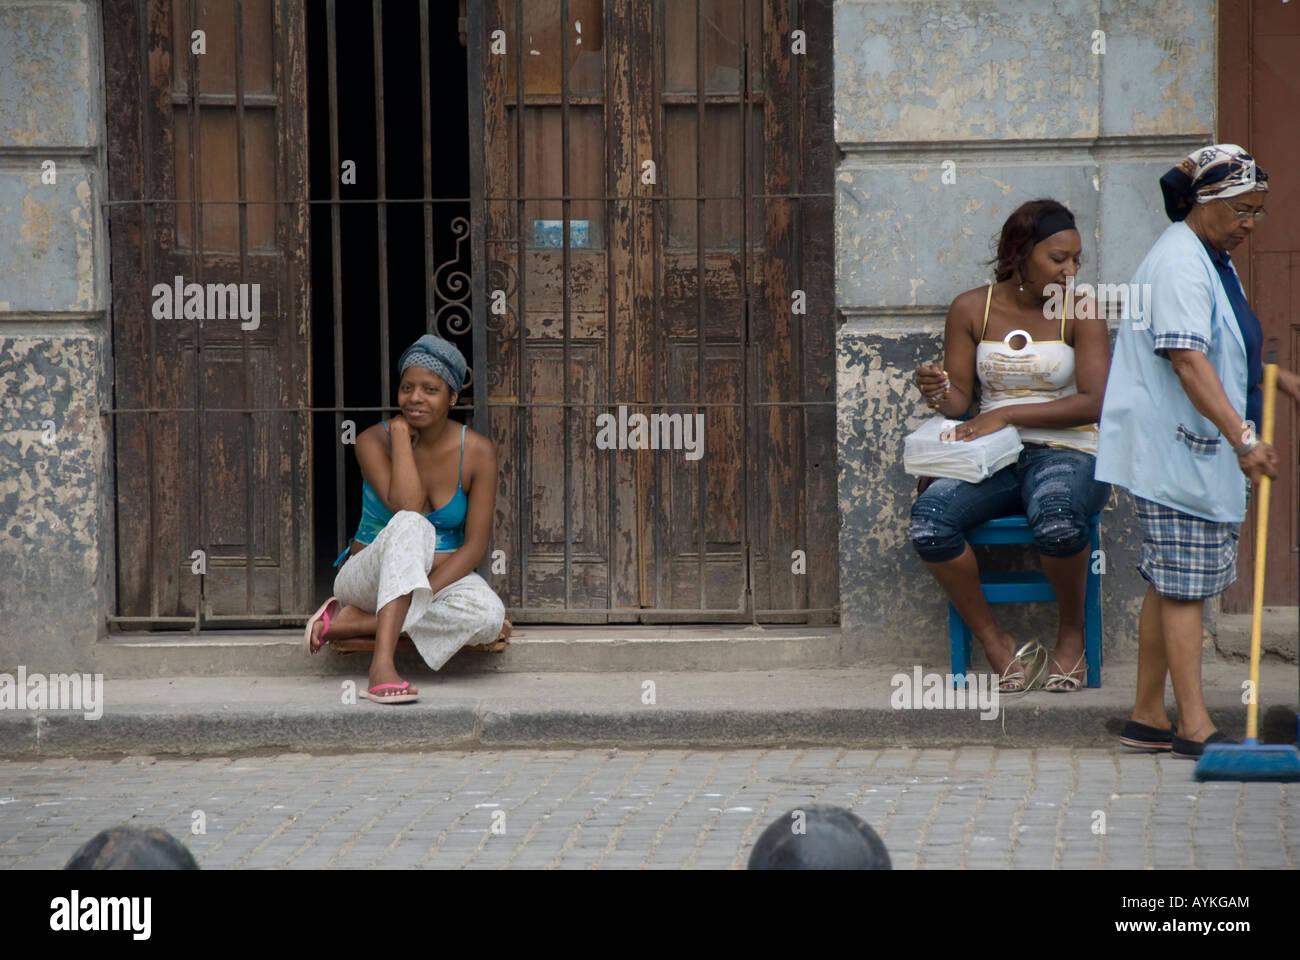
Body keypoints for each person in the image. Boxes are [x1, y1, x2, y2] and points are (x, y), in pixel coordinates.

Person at [1097, 145, 1288, 758]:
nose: (1251, 224)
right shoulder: (1181, 261)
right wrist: (1245, 438)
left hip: (1185, 447)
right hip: (1181, 449)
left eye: (1258, 210)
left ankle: (1149, 717)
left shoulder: (1210, 253)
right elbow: (1187, 359)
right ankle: (1195, 728)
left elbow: (1227, 344)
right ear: (1206, 202)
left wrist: (1280, 381)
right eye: (1241, 209)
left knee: (1169, 581)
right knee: (1184, 589)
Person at [911, 199, 1112, 693]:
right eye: (1058, 259)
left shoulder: (1082, 308)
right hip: (993, 454)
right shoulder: (970, 308)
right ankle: (996, 643)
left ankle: (1071, 638)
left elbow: (1094, 403)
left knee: (1059, 519)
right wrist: (936, 390)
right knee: (929, 523)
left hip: (1069, 451)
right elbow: (959, 403)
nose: (1070, 271)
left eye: (1076, 260)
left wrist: (1003, 413)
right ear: (1020, 255)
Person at [304, 334, 508, 704]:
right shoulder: (371, 440)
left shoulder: (478, 452)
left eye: (430, 389)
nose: (415, 397)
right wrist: (399, 436)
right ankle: (382, 667)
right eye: (407, 387)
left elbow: (475, 545)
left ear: (452, 397)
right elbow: (408, 506)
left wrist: (421, 589)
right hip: (367, 574)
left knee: (488, 615)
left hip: (433, 578)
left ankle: (347, 624)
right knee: (413, 525)